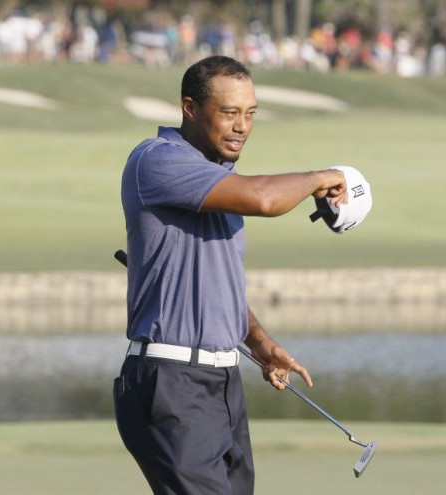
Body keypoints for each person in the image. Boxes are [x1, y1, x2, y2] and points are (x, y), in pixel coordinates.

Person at [114, 55, 348, 495]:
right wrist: (324, 177)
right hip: (171, 382)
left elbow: (216, 285)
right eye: (229, 112)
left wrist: (260, 345)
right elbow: (264, 199)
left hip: (223, 384)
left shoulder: (220, 178)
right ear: (190, 108)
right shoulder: (157, 161)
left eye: (251, 113)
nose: (242, 125)